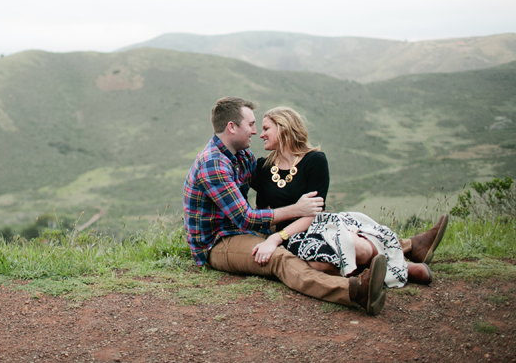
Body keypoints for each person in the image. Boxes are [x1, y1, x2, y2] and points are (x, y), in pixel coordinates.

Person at [184, 97, 388, 315]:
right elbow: (246, 218)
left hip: (245, 231)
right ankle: (353, 291)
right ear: (232, 127)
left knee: (314, 236)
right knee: (277, 257)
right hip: (218, 242)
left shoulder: (241, 156)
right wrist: (297, 210)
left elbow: (271, 183)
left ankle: (406, 249)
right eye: (251, 125)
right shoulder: (213, 163)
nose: (255, 131)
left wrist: (298, 165)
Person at [249, 106, 447, 287]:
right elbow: (265, 212)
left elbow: (313, 213)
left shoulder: (314, 161)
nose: (261, 134)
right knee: (321, 263)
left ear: (283, 128)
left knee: (353, 246)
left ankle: (398, 266)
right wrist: (274, 237)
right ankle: (396, 267)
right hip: (291, 237)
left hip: (317, 224)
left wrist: (276, 237)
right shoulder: (262, 168)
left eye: (266, 128)